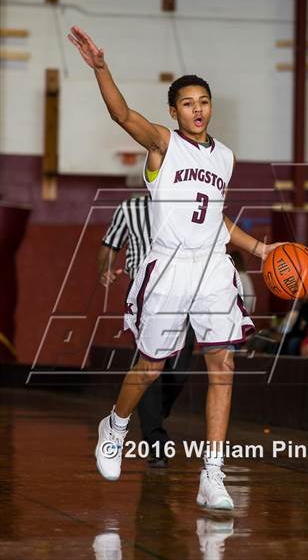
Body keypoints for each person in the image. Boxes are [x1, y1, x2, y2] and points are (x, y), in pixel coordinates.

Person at [68, 26, 282, 509]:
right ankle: (115, 426)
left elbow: (216, 215)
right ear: (174, 111)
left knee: (223, 365)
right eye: (188, 103)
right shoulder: (163, 145)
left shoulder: (224, 157)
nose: (197, 109)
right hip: (167, 267)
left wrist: (258, 249)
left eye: (203, 101)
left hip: (212, 269)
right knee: (151, 366)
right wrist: (101, 68)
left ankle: (212, 475)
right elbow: (122, 114)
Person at [99, 195, 194, 467]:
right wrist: (105, 268)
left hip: (183, 290)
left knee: (179, 370)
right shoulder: (130, 208)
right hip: (145, 291)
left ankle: (150, 413)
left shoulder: (187, 202)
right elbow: (109, 245)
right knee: (149, 366)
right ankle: (156, 443)